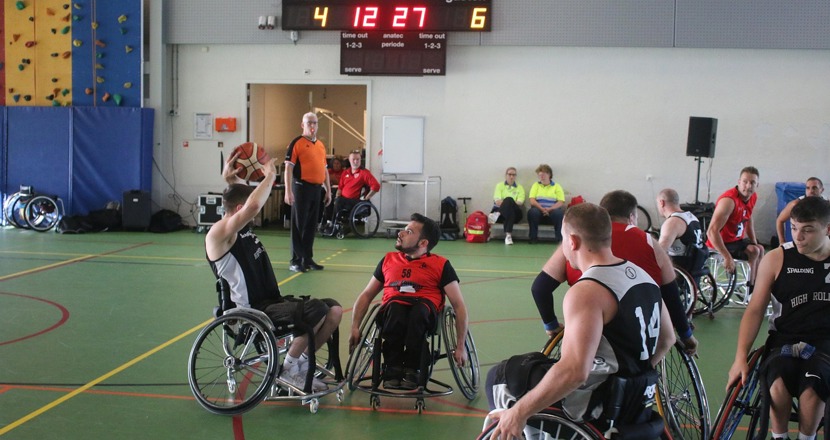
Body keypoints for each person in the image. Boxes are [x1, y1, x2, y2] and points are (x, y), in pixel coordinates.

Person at [484, 203, 675, 439]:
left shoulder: (587, 291)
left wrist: (519, 412)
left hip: (596, 406)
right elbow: (667, 338)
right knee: (538, 365)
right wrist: (632, 380)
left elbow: (575, 371)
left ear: (572, 241)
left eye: (562, 238)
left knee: (500, 376)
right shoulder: (644, 277)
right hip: (634, 402)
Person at [206, 151, 342, 392]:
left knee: (334, 310)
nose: (255, 214)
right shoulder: (218, 234)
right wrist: (270, 175)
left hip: (271, 301)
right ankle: (288, 371)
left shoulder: (238, 226)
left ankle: (298, 363)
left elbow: (246, 201)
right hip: (253, 309)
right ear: (239, 209)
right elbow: (253, 203)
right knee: (316, 310)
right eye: (247, 210)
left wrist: (231, 182)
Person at [531, 190, 698, 354]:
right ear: (632, 216)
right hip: (638, 340)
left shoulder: (576, 242)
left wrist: (551, 325)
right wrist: (686, 335)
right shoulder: (649, 242)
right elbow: (671, 295)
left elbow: (540, 288)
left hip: (589, 334)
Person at [726, 196, 830, 440]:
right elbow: (755, 310)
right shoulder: (777, 258)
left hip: (825, 342)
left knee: (812, 389)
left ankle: (807, 437)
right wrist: (740, 357)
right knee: (777, 384)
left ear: (827, 228)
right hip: (784, 339)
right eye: (794, 228)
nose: (798, 236)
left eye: (807, 230)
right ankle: (778, 436)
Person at [348, 213, 469, 390]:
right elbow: (367, 294)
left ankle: (414, 368)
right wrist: (354, 326)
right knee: (396, 308)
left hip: (424, 312)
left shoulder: (441, 265)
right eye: (404, 229)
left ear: (423, 243)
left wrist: (460, 346)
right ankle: (393, 367)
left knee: (418, 312)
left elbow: (459, 306)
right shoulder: (388, 260)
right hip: (393, 310)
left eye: (409, 231)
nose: (401, 233)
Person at [284, 112, 332, 272]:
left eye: (315, 123)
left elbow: (324, 169)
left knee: (311, 225)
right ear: (302, 125)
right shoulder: (296, 143)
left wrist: (328, 190)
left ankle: (307, 258)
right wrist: (288, 191)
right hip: (301, 188)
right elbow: (288, 168)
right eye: (309, 123)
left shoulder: (320, 145)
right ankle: (295, 260)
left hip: (316, 189)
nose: (312, 126)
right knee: (299, 225)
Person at [706, 166, 765, 290]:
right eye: (745, 182)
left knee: (759, 248)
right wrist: (727, 257)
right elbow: (711, 231)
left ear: (757, 185)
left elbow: (748, 218)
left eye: (752, 183)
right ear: (739, 182)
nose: (748, 186)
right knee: (754, 251)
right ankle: (751, 289)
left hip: (735, 240)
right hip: (720, 242)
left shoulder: (752, 197)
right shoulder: (729, 201)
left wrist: (754, 240)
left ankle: (758, 285)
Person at [656, 188, 709, 276]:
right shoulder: (691, 217)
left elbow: (660, 251)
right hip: (695, 266)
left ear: (662, 203)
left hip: (679, 269)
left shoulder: (673, 222)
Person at [328, 149, 380, 230]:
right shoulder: (345, 172)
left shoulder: (364, 173)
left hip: (355, 202)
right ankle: (327, 222)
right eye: (353, 159)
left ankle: (334, 225)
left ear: (360, 160)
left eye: (358, 159)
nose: (355, 161)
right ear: (349, 160)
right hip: (344, 200)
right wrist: (336, 196)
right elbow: (340, 188)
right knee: (329, 199)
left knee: (339, 201)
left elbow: (376, 186)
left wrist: (367, 197)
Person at [775, 177, 825, 246]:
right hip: (801, 242)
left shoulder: (826, 205)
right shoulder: (795, 204)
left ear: (822, 190)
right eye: (808, 188)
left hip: (820, 241)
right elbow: (779, 220)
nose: (811, 191)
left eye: (814, 188)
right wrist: (782, 242)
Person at [527, 164, 565, 244]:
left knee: (559, 213)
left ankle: (559, 239)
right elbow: (532, 200)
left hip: (552, 213)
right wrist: (542, 209)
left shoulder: (557, 186)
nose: (542, 176)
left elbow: (560, 201)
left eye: (544, 174)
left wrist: (550, 209)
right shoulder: (536, 185)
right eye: (540, 174)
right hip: (539, 213)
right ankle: (533, 238)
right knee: (532, 212)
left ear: (549, 175)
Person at [491, 167, 526, 246]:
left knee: (509, 200)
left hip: (516, 215)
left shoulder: (520, 188)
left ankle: (497, 214)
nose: (511, 176)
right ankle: (508, 236)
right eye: (509, 174)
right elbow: (497, 201)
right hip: (503, 216)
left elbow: (520, 202)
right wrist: (510, 202)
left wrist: (508, 202)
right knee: (509, 207)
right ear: (506, 175)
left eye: (513, 175)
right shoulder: (499, 186)